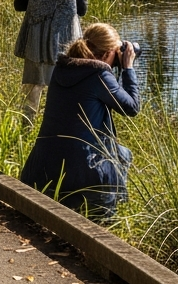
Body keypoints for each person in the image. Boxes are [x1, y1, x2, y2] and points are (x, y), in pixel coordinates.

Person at [20, 23, 139, 219]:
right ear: (109, 52)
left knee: (122, 153)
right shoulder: (99, 74)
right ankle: (104, 217)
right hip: (84, 174)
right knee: (122, 157)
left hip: (41, 168)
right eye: (118, 51)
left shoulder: (60, 69)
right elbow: (132, 108)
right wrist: (127, 68)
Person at [12, 0, 87, 121]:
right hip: (64, 42)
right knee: (64, 89)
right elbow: (82, 8)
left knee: (33, 88)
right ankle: (59, 129)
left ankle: (26, 127)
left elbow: (19, 4)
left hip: (35, 43)